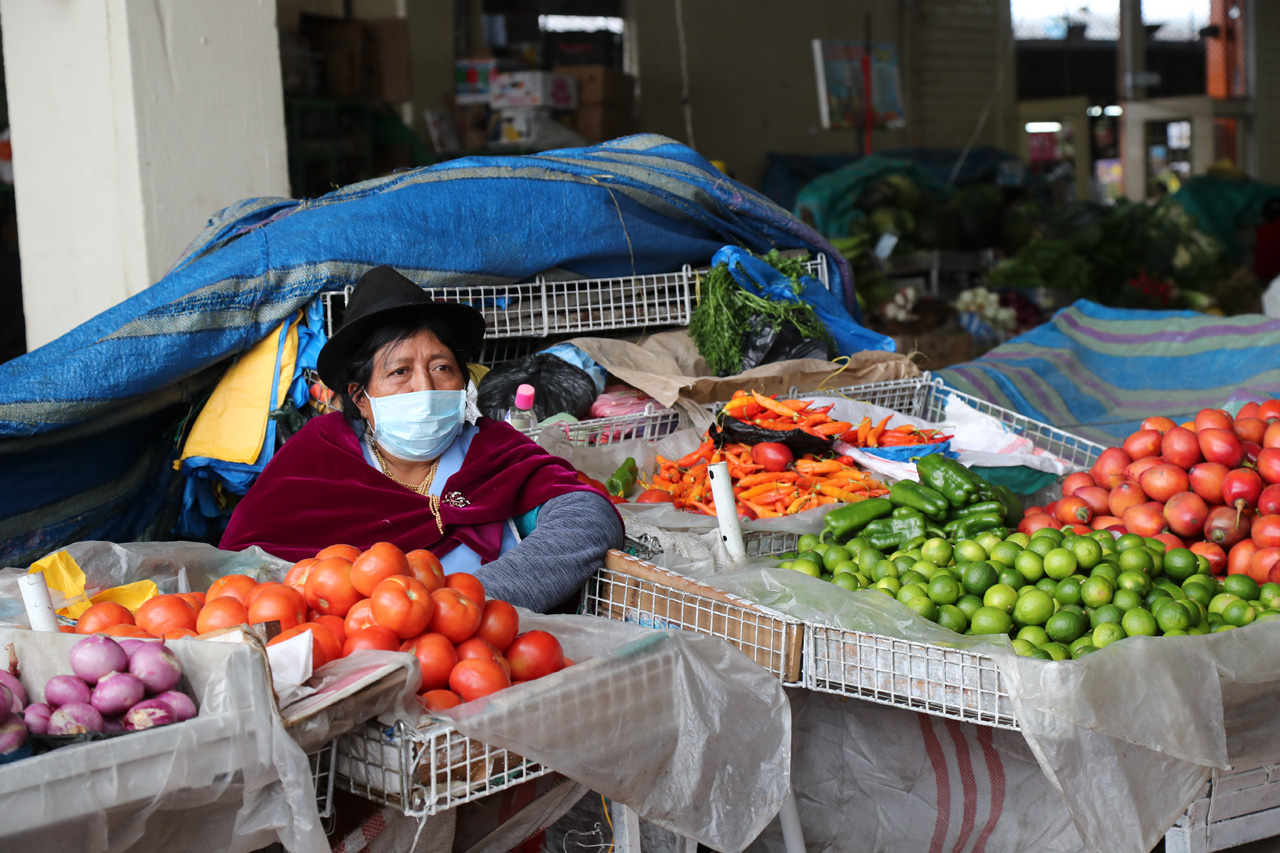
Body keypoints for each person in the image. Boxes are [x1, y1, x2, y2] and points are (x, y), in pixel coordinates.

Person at [220, 266, 623, 612]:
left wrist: (469, 601)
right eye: (399, 372)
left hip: (482, 661)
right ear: (361, 397)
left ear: (464, 383)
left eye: (442, 367)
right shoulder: (317, 459)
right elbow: (245, 569)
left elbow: (587, 517)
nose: (425, 388)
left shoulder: (493, 453)